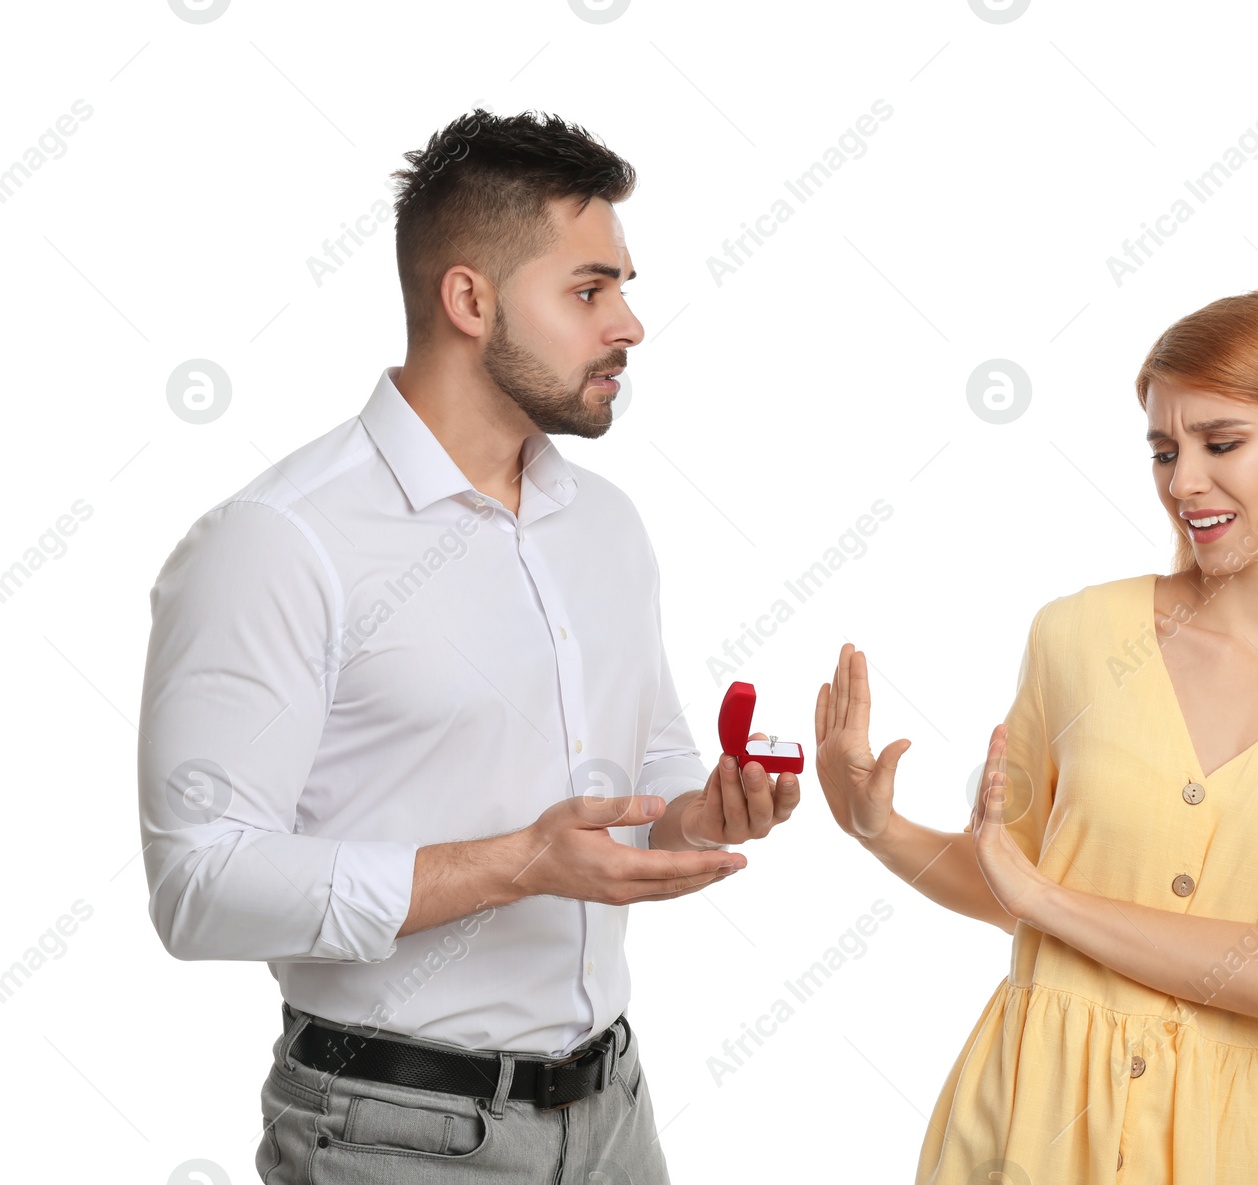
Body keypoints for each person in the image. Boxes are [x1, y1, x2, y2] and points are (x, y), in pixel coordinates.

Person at [135, 108, 799, 1184]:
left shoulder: (605, 526)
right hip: (390, 1132)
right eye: (590, 291)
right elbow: (197, 884)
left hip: (614, 1114)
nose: (629, 324)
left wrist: (699, 811)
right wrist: (516, 864)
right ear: (469, 300)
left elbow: (646, 775)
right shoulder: (279, 542)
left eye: (623, 286)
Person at [814, 289, 1258, 1183]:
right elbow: (1005, 872)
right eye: (1165, 450)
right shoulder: (1081, 637)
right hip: (1032, 1127)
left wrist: (1051, 903)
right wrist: (876, 827)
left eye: (1221, 442)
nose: (1183, 481)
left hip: (1254, 1151)